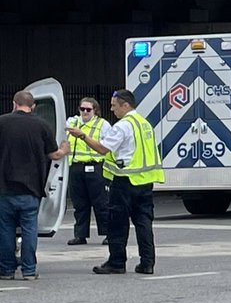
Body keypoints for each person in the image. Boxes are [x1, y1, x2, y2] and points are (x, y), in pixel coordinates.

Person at [67, 89, 163, 276]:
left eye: (114, 105)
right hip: (145, 181)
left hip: (125, 180)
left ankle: (116, 262)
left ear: (125, 105)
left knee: (117, 223)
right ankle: (147, 263)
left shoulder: (123, 126)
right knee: (144, 223)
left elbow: (103, 149)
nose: (112, 109)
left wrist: (83, 136)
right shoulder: (144, 124)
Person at [0, 90, 68, 280]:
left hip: (4, 188)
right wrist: (64, 149)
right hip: (31, 189)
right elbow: (54, 155)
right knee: (30, 229)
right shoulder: (42, 125)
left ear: (14, 104)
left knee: (5, 229)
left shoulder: (2, 122)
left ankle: (6, 270)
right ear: (33, 106)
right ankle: (29, 270)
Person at [65, 96, 110, 246]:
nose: (84, 112)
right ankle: (80, 235)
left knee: (101, 203)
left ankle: (108, 233)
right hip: (76, 167)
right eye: (82, 109)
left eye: (88, 109)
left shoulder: (102, 124)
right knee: (79, 203)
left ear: (95, 111)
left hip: (95, 167)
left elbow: (107, 146)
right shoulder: (72, 122)